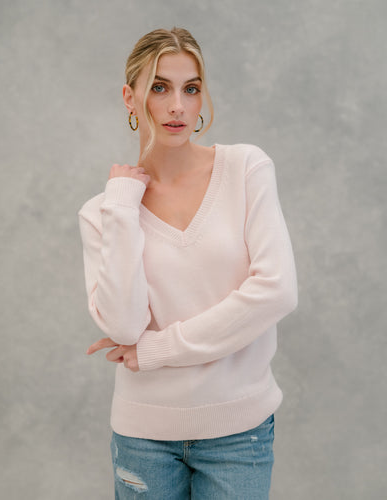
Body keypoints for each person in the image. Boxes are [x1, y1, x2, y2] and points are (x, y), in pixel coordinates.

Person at [78, 27, 298, 500]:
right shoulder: (104, 211)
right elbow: (124, 325)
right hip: (142, 437)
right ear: (130, 98)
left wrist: (158, 350)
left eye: (191, 89)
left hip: (239, 432)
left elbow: (277, 291)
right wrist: (122, 206)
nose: (177, 105)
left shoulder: (246, 169)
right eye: (160, 87)